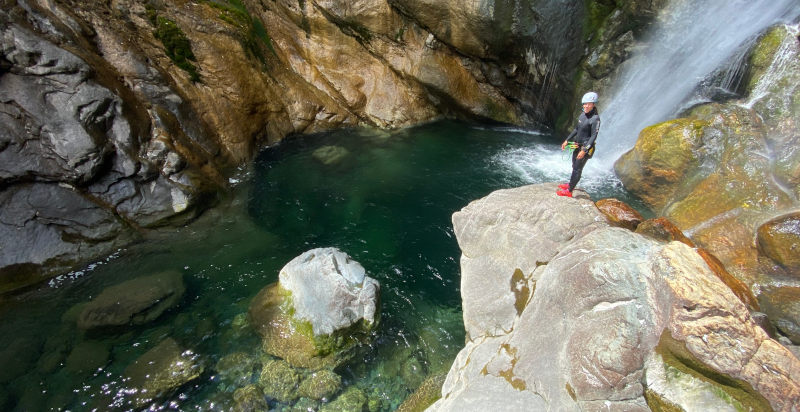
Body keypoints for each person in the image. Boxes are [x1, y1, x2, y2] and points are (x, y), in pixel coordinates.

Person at [557, 91, 600, 197]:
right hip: (577, 145)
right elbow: (577, 129)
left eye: (588, 104)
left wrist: (584, 150)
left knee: (577, 168)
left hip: (585, 147)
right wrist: (567, 139)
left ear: (593, 104)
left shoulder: (595, 119)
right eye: (585, 104)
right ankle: (571, 183)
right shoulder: (583, 115)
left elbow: (594, 136)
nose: (586, 106)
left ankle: (569, 191)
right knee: (574, 165)